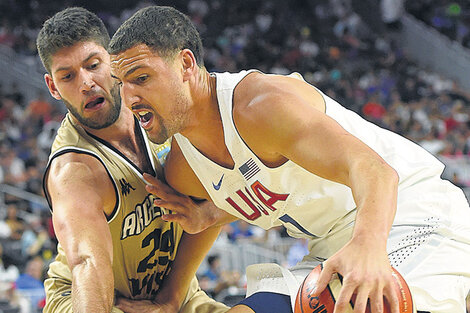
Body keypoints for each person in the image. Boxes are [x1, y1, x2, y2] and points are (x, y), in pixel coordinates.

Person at [109, 5, 470, 313]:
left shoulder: (260, 106)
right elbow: (247, 189)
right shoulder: (184, 168)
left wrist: (368, 247)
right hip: (332, 247)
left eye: (141, 78)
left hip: (407, 216)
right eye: (121, 84)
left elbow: (375, 171)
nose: (129, 97)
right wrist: (177, 286)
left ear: (186, 64)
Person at [37, 7, 229, 313]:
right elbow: (87, 262)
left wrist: (171, 298)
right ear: (53, 87)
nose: (86, 83)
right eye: (68, 76)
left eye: (93, 65)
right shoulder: (74, 172)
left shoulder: (164, 108)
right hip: (96, 300)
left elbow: (231, 195)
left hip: (173, 291)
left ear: (113, 62)